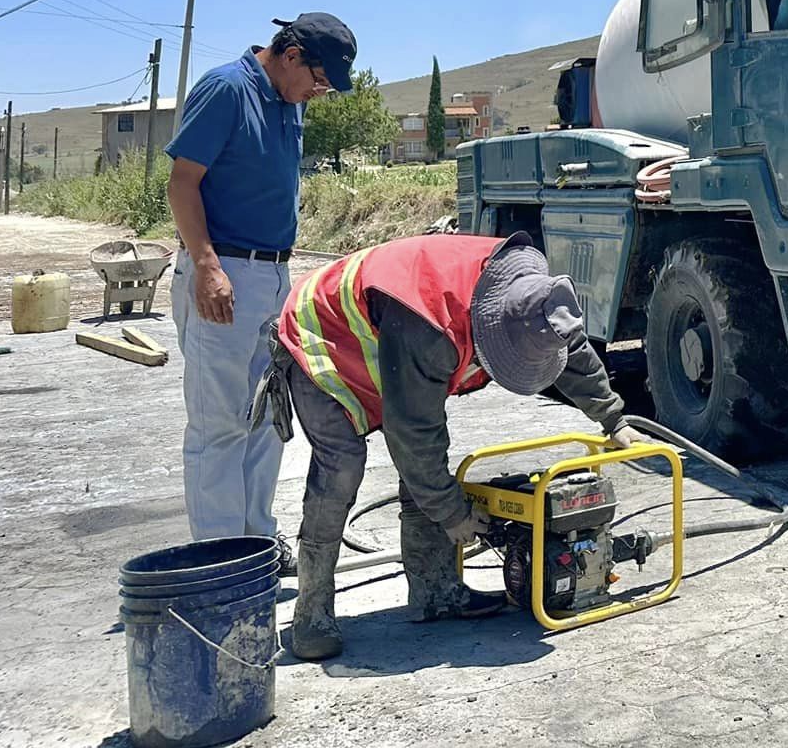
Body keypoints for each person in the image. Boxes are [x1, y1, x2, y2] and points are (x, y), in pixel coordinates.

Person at [250, 231, 648, 660]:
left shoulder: (534, 296)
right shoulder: (432, 323)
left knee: (424, 459)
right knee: (341, 468)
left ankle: (435, 592)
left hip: (389, 334)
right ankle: (312, 614)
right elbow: (413, 433)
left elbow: (568, 344)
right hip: (322, 335)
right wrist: (452, 513)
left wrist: (614, 418)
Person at [165, 12, 355, 557]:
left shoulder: (288, 102)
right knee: (220, 422)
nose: (318, 94)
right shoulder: (227, 88)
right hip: (223, 271)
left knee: (266, 419)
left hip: (272, 276)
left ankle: (256, 543)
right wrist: (206, 266)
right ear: (291, 55)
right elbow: (183, 183)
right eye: (318, 80)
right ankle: (221, 559)